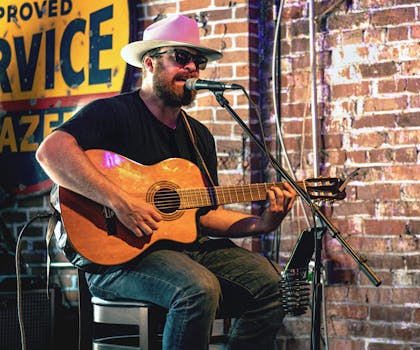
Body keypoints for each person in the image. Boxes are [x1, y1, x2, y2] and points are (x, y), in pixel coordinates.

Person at [36, 14, 296, 350]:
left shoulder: (198, 136)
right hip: (119, 257)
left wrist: (262, 223)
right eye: (181, 58)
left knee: (273, 285)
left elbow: (203, 214)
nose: (192, 69)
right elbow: (51, 152)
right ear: (149, 63)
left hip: (184, 250)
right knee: (198, 288)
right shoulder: (114, 114)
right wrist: (120, 202)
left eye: (198, 61)